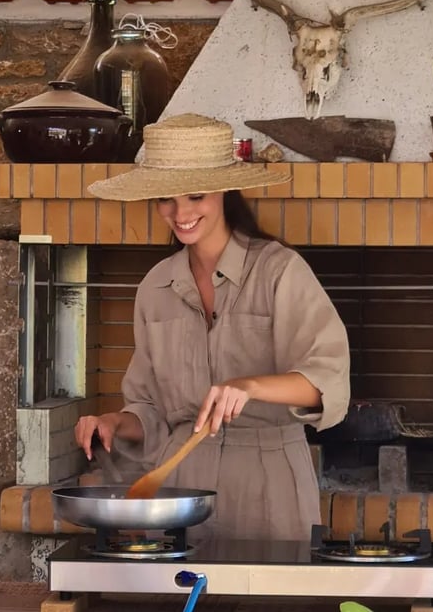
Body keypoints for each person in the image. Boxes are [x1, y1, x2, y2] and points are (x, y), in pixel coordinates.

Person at [74, 113, 350, 542]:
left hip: (270, 477)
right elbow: (148, 409)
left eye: (196, 196)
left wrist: (250, 386)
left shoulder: (280, 271)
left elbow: (327, 384)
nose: (180, 213)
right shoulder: (155, 288)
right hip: (181, 481)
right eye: (167, 199)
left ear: (224, 191)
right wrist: (112, 422)